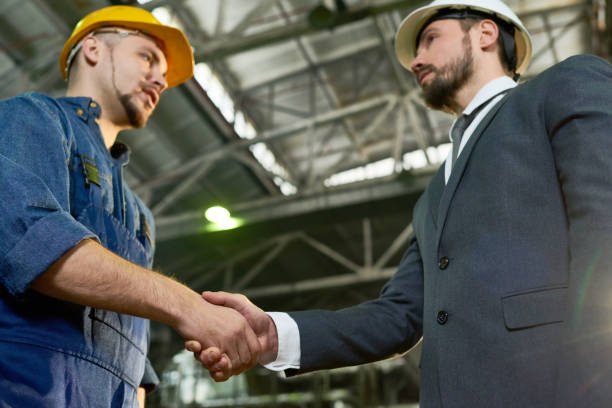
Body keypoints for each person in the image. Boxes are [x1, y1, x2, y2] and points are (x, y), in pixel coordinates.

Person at [195, 0, 612, 406]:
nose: (415, 61)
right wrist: (274, 334)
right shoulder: (433, 195)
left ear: (485, 32)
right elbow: (398, 318)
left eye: (430, 39)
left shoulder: (565, 86)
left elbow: (605, 229)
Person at [0, 6, 261, 407]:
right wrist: (188, 307)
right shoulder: (31, 117)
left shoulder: (141, 215)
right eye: (147, 57)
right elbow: (36, 246)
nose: (160, 78)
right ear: (92, 48)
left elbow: (133, 357)